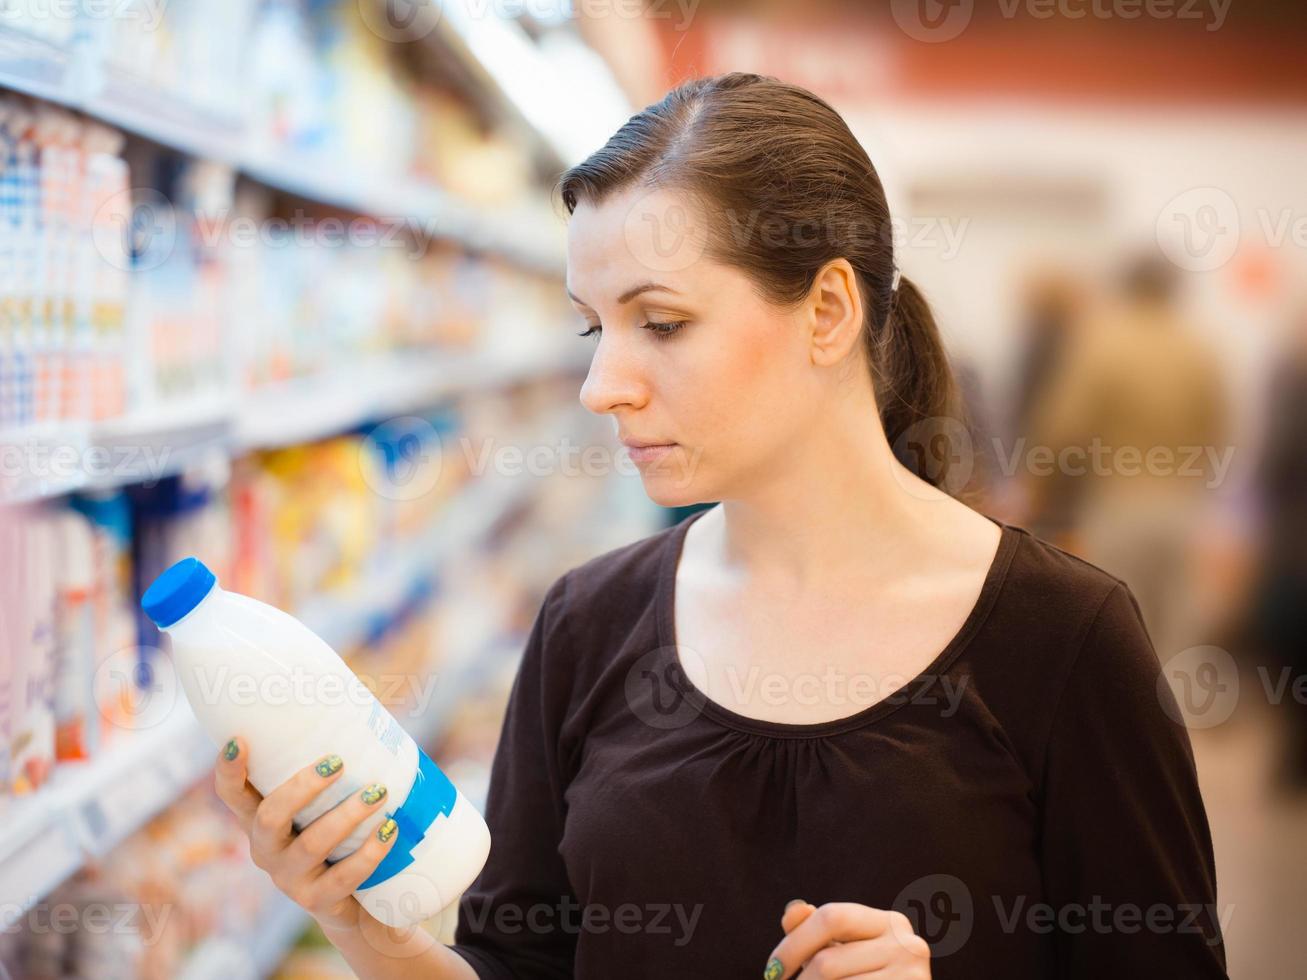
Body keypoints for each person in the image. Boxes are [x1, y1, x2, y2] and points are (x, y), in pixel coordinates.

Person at [214, 73, 1228, 979]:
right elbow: (516, 960)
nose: (601, 386)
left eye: (660, 323)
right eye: (590, 327)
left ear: (826, 310)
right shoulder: (585, 623)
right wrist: (370, 932)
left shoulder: (1063, 639)